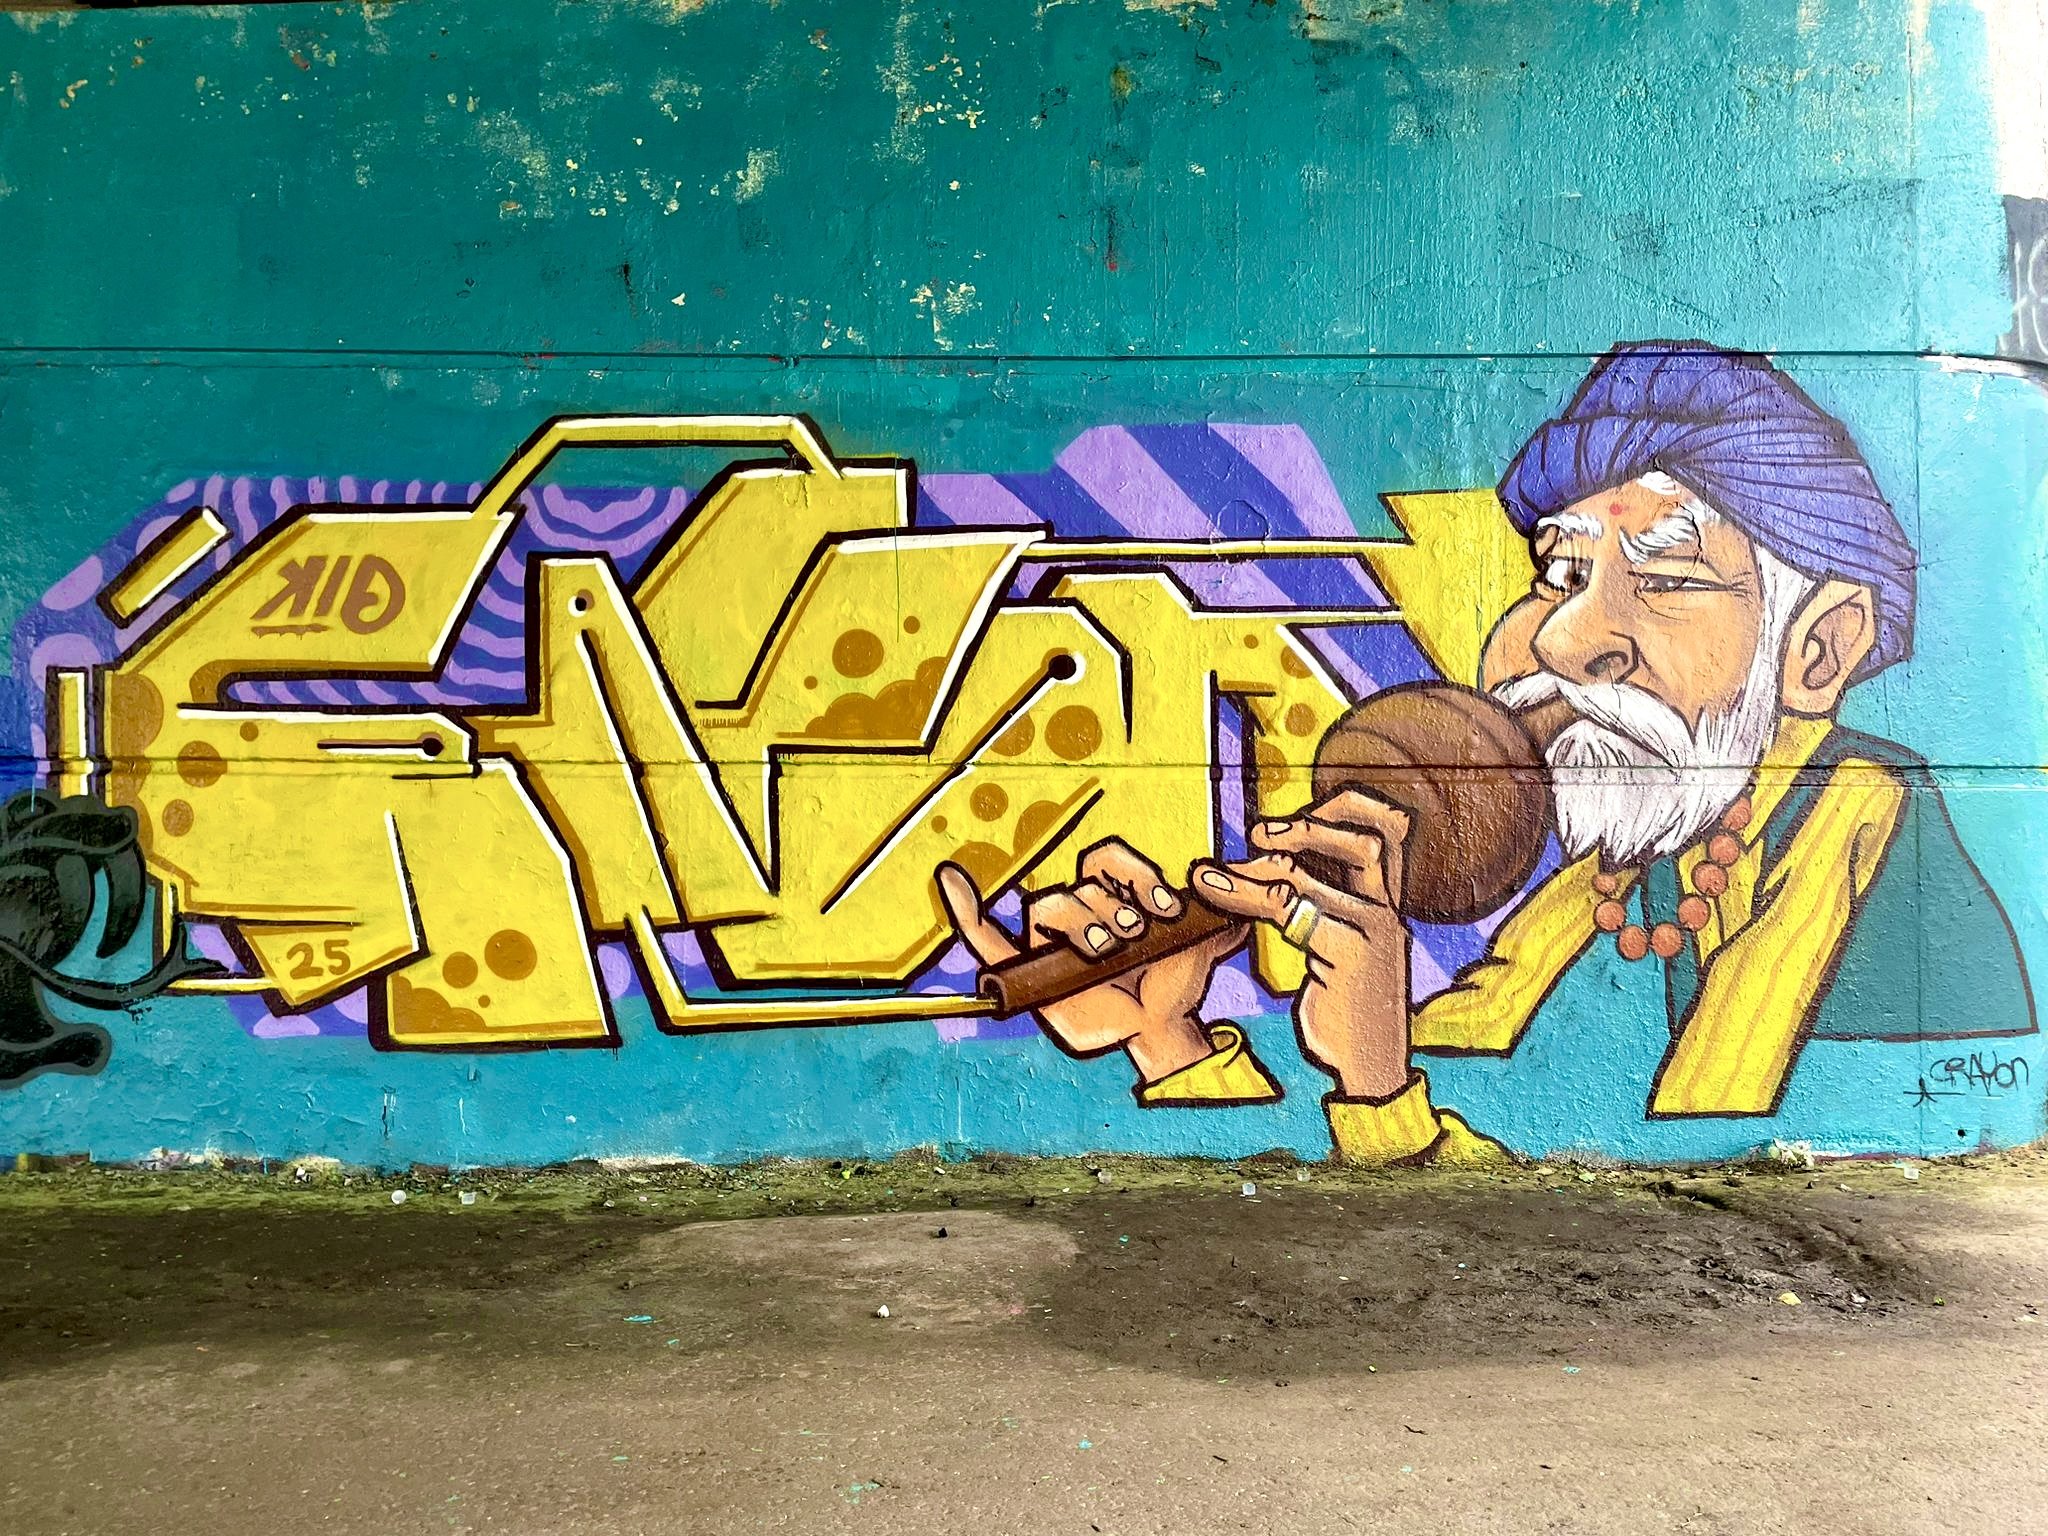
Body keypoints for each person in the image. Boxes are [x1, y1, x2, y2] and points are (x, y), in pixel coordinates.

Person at [938, 342, 2039, 1163]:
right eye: (1559, 575)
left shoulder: (1880, 873)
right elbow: (1461, 1137)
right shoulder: (1616, 872)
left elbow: (1645, 1197)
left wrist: (1380, 1095)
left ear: (1819, 647)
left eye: (1663, 578)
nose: (1562, 640)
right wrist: (1170, 1036)